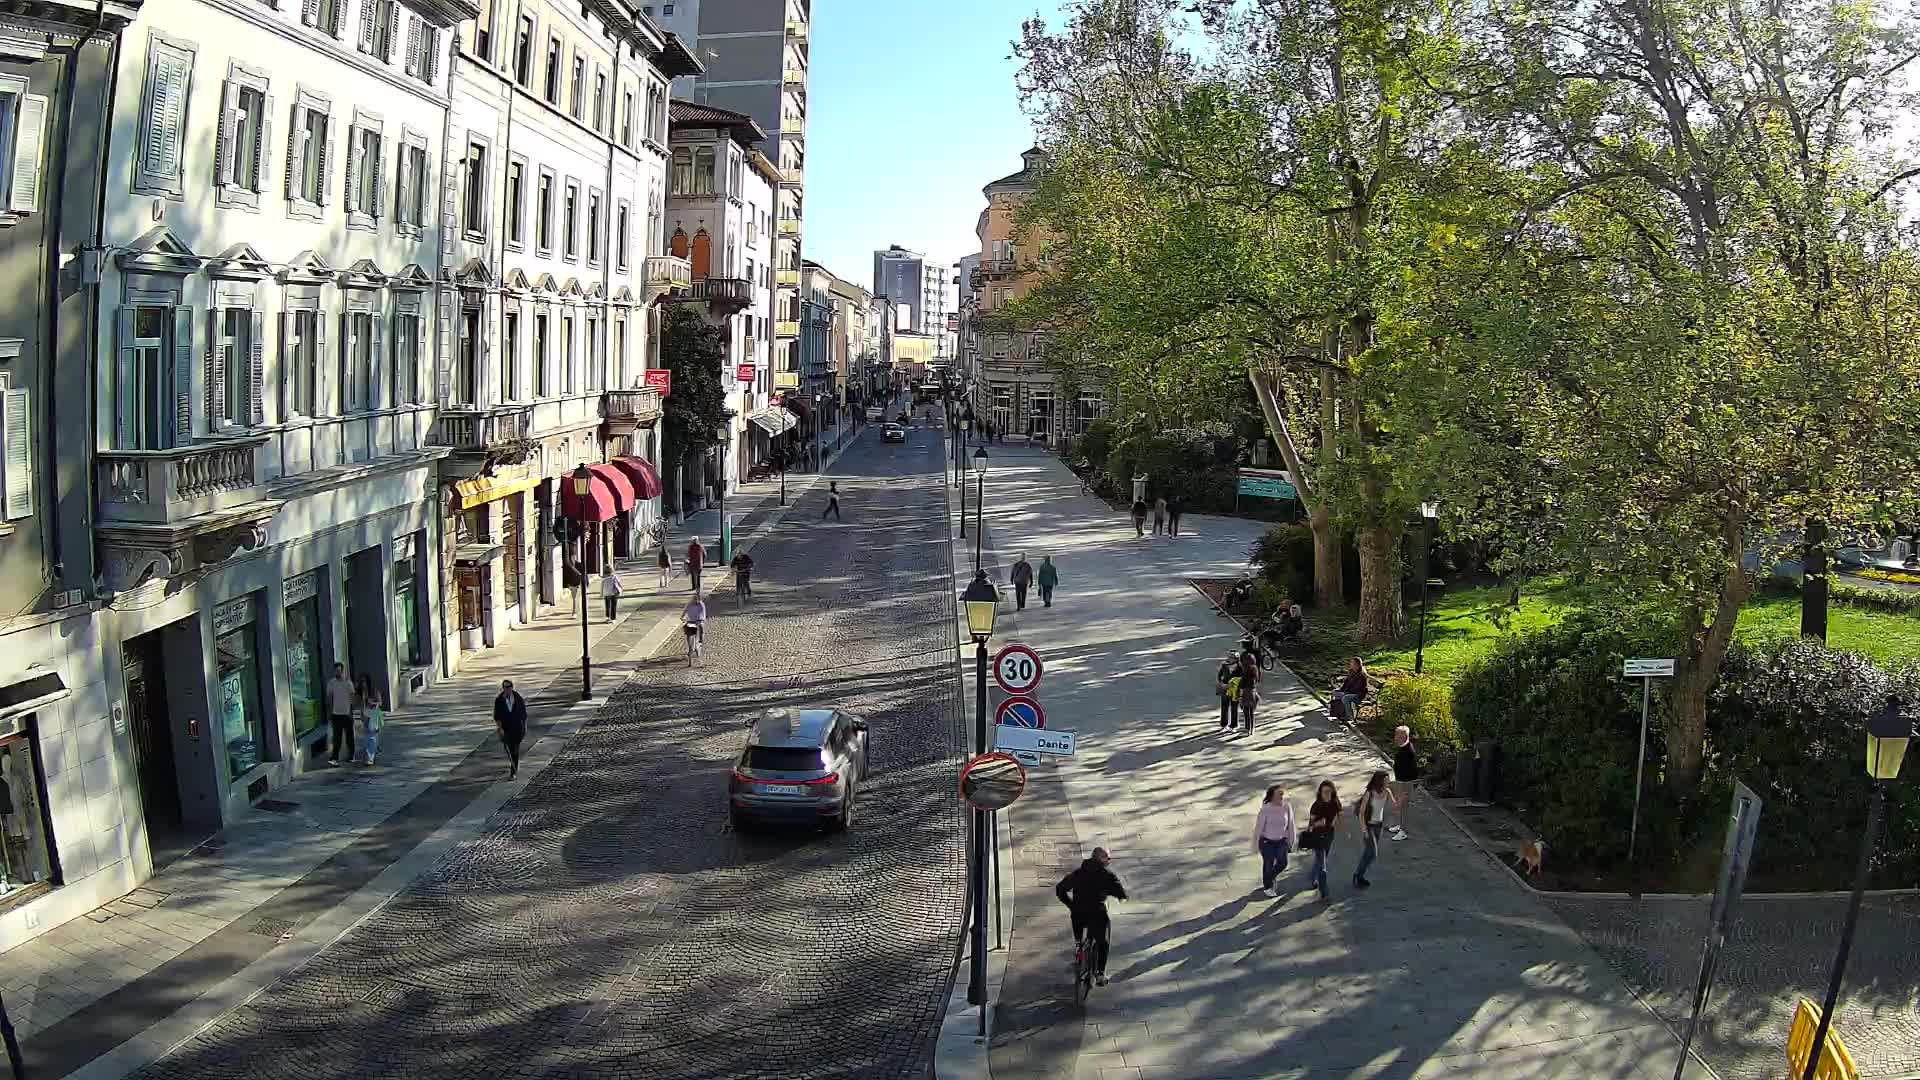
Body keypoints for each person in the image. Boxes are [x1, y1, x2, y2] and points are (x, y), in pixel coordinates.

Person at [1055, 847, 1127, 986]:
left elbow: (1060, 889)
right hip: (1097, 914)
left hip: (1078, 913)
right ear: (1102, 860)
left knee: (1079, 936)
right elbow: (1120, 892)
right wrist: (1121, 897)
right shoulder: (1107, 875)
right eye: (1107, 858)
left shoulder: (1078, 873)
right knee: (1103, 942)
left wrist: (1070, 905)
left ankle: (1079, 950)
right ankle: (1100, 974)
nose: (1109, 860)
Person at [1305, 780, 1345, 900]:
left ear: (1332, 792)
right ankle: (1324, 892)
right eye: (1324, 792)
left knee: (1321, 860)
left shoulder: (1335, 802)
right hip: (1317, 836)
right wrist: (1318, 823)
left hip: (1329, 835)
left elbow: (1340, 816)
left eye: (1329, 791)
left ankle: (1313, 876)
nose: (1327, 794)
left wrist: (1343, 829)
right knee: (1322, 866)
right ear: (1320, 793)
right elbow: (1310, 825)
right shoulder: (1316, 805)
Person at [1253, 785, 1296, 896]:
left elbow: (1291, 825)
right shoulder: (1265, 809)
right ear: (1272, 796)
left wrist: (1291, 841)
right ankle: (1268, 887)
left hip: (1282, 841)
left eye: (1282, 794)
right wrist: (1255, 845)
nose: (1281, 796)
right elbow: (1258, 828)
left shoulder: (1287, 807)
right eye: (1279, 794)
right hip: (1267, 842)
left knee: (1283, 863)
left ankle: (1269, 878)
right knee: (1268, 864)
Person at [1352, 770, 1392, 888]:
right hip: (1369, 826)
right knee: (1373, 853)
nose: (1388, 782)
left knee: (1368, 853)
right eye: (1386, 780)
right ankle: (1358, 875)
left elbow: (1395, 807)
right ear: (1380, 781)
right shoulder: (1369, 793)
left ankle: (1358, 875)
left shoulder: (1387, 792)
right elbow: (1361, 813)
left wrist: (1403, 799)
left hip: (1379, 826)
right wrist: (1364, 830)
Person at [494, 679, 528, 779]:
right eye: (505, 687)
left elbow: (523, 714)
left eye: (509, 687)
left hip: (517, 728)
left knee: (515, 750)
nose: (507, 689)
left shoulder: (518, 698)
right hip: (506, 728)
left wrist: (524, 726)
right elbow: (497, 716)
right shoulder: (499, 700)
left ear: (512, 687)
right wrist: (500, 728)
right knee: (510, 749)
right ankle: (514, 768)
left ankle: (513, 771)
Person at [1389, 725, 1418, 841]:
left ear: (1404, 736)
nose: (1395, 737)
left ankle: (1403, 831)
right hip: (1401, 781)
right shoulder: (1403, 747)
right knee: (1401, 807)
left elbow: (1412, 771)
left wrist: (1406, 791)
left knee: (1403, 807)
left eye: (1397, 735)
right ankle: (1400, 825)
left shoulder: (1408, 751)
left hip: (1406, 783)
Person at [325, 664, 355, 766]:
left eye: (339, 670)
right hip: (336, 714)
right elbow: (329, 699)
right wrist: (329, 712)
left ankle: (351, 755)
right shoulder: (331, 683)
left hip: (347, 713)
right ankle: (335, 758)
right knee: (337, 737)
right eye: (335, 670)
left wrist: (351, 711)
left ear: (342, 671)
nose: (337, 672)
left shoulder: (348, 683)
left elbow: (352, 697)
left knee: (349, 736)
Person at [1236, 638, 1263, 732]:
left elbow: (1242, 682)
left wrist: (1239, 690)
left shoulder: (1246, 671)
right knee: (1250, 710)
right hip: (1252, 689)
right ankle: (1251, 728)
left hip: (1246, 691)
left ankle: (1248, 728)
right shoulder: (1254, 669)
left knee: (1246, 709)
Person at [358, 675, 385, 766]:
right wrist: (362, 716)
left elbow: (380, 702)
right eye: (362, 682)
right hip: (366, 715)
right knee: (369, 737)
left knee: (371, 737)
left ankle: (370, 758)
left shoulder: (374, 691)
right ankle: (375, 749)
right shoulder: (362, 692)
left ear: (368, 682)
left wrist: (372, 703)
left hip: (373, 714)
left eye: (364, 682)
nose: (363, 684)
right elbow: (362, 706)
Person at [1333, 657, 1369, 723]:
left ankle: (1349, 717)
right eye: (1351, 663)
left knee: (1345, 697)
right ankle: (1339, 714)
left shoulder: (1361, 674)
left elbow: (1358, 688)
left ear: (1358, 664)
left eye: (1353, 663)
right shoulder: (1352, 672)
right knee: (1336, 693)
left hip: (1358, 695)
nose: (1351, 664)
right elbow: (1346, 683)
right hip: (1351, 692)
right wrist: (1341, 690)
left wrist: (1346, 692)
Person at [1215, 651, 1239, 731]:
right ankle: (1224, 725)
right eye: (1229, 657)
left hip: (1235, 689)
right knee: (1224, 707)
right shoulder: (1224, 665)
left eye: (1232, 657)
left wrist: (1236, 684)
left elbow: (1242, 677)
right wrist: (1222, 684)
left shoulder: (1240, 666)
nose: (1230, 659)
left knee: (1234, 707)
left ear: (1236, 659)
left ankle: (1234, 726)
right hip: (1225, 688)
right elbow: (1219, 676)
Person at [682, 595, 708, 660]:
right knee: (688, 633)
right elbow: (685, 610)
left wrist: (701, 619)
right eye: (693, 600)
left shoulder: (701, 605)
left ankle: (700, 642)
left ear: (699, 600)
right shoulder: (689, 604)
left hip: (699, 620)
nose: (694, 601)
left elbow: (702, 613)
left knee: (701, 628)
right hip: (691, 620)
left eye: (696, 600)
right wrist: (682, 616)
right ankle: (690, 647)